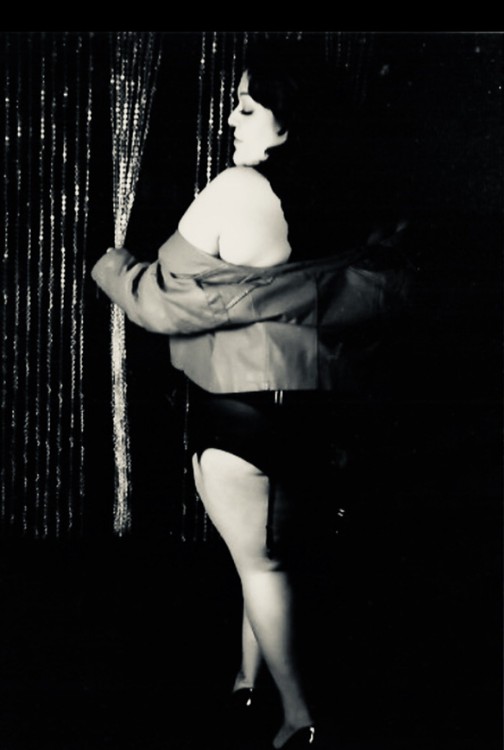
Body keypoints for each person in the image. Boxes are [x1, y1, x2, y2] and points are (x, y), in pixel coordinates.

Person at [91, 38, 410, 750]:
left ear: (289, 119)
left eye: (246, 106)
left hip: (243, 419)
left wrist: (112, 269)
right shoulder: (357, 197)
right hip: (322, 414)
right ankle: (247, 683)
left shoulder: (238, 189)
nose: (231, 120)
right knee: (267, 561)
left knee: (261, 565)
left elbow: (162, 297)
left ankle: (300, 719)